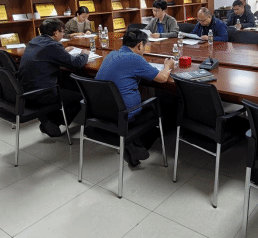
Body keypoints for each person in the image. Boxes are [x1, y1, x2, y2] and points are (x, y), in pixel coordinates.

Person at [96, 29, 174, 167]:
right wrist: (167, 66)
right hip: (123, 113)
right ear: (139, 45)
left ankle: (131, 145)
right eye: (145, 46)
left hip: (101, 110)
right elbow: (162, 78)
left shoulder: (112, 54)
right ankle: (132, 145)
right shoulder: (135, 59)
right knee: (160, 110)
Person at [18, 18, 90, 137]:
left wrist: (62, 52)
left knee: (67, 82)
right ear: (55, 33)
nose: (63, 34)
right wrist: (84, 55)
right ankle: (53, 122)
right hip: (42, 93)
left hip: (25, 89)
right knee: (79, 97)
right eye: (62, 32)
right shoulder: (52, 46)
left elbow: (47, 55)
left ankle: (49, 118)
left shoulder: (34, 41)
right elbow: (76, 63)